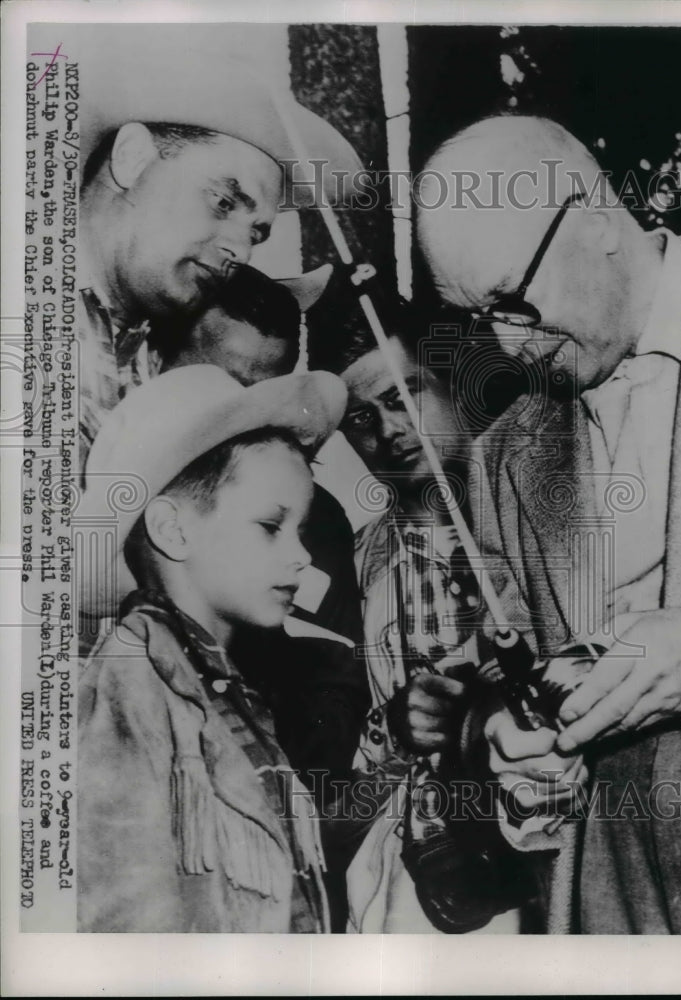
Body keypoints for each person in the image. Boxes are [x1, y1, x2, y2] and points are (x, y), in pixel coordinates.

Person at [416, 114, 681, 933]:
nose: (501, 343)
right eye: (474, 316)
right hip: (614, 904)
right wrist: (512, 753)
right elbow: (504, 676)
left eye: (510, 302)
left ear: (594, 221)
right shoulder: (502, 457)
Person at [77, 363, 347, 931]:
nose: (302, 556)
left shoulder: (228, 687)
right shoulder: (131, 682)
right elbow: (124, 917)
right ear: (174, 531)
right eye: (271, 526)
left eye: (300, 530)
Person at [155, 262, 371, 929]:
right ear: (160, 361)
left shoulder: (318, 522)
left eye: (265, 388)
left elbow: (333, 682)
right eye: (224, 383)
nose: (244, 411)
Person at [309, 307, 525, 934]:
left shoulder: (541, 520)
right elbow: (333, 787)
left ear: (452, 384)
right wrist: (394, 732)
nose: (391, 429)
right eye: (362, 418)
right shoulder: (346, 569)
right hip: (424, 886)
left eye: (404, 396)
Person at [65, 23, 362, 474]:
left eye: (257, 234)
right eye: (223, 202)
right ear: (131, 158)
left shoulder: (149, 356)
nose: (241, 253)